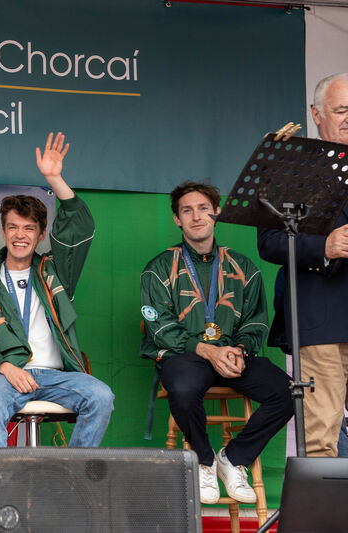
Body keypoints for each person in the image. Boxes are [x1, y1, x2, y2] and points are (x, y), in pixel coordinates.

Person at [0, 132, 114, 449]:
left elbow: (78, 228)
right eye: (13, 227)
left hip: (56, 375)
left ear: (40, 236)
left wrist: (54, 178)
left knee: (101, 395)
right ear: (3, 231)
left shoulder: (55, 272)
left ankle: (70, 479)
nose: (20, 235)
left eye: (29, 229)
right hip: (3, 375)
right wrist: (4, 366)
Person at [142, 181, 293, 504]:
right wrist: (207, 349)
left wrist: (239, 350)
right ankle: (203, 459)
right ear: (177, 220)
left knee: (287, 392)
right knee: (181, 388)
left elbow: (255, 320)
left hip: (230, 354)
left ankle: (233, 457)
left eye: (203, 208)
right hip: (188, 356)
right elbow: (159, 327)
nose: (196, 216)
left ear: (217, 213)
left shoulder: (243, 267)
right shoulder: (159, 268)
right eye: (187, 210)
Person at [258, 72, 348, 457]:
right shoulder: (289, 166)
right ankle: (321, 520)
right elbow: (270, 242)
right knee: (321, 435)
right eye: (341, 109)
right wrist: (325, 246)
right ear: (316, 114)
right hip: (321, 319)